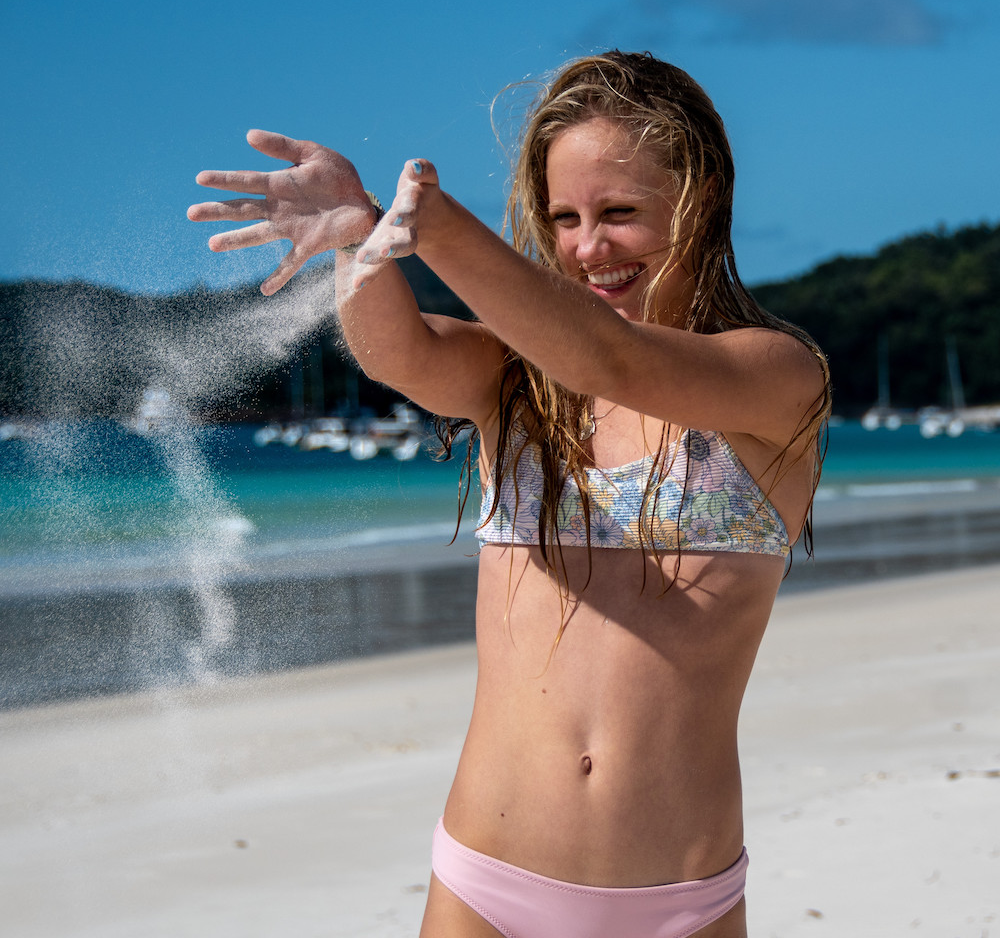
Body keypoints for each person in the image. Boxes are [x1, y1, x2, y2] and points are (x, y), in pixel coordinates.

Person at [188, 51, 831, 938]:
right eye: (563, 217)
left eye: (619, 214)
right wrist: (357, 238)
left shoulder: (775, 378)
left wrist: (439, 228)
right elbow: (402, 353)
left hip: (678, 903)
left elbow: (616, 361)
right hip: (487, 886)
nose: (586, 246)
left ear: (701, 203)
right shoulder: (519, 380)